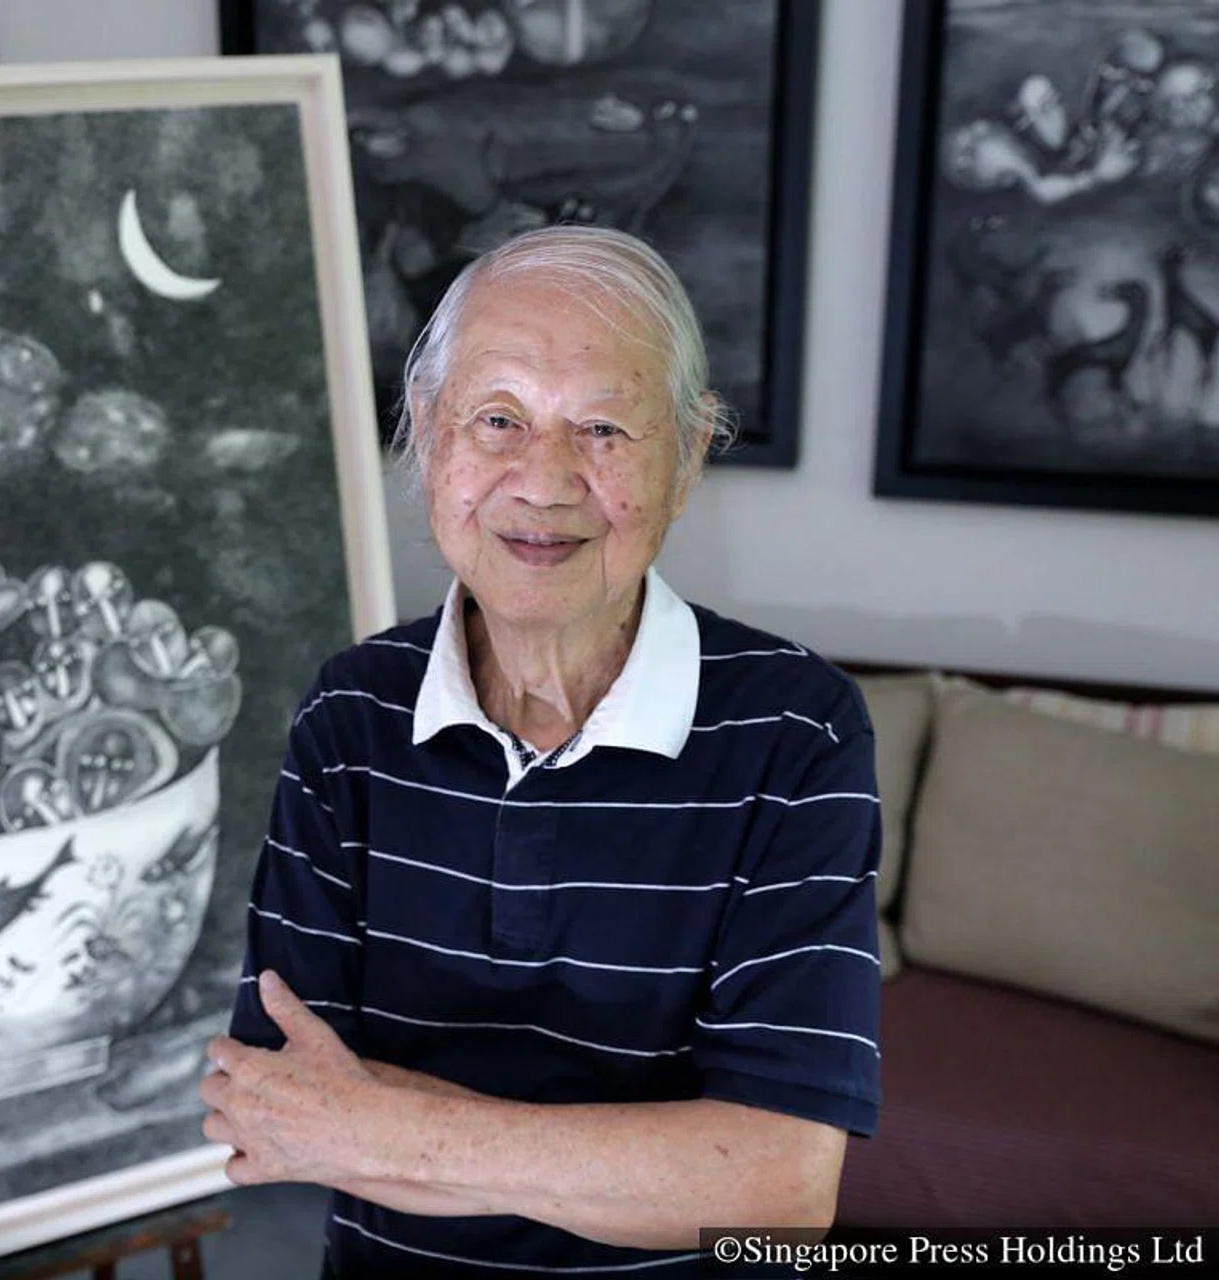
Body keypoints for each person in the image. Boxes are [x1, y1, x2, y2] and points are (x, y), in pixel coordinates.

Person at [199, 225, 883, 1278]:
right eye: (498, 419)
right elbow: (278, 1104)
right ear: (429, 436)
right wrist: (647, 1161)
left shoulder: (795, 726)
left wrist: (376, 1125)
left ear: (690, 454)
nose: (545, 479)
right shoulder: (351, 714)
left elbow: (777, 1184)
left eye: (605, 427)